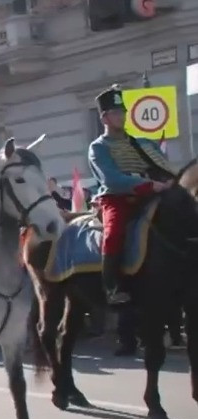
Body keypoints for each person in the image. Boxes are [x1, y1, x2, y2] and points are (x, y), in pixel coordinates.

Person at [87, 85, 176, 305]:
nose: (122, 116)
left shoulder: (144, 142)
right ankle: (112, 286)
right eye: (116, 113)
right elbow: (112, 180)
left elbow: (165, 167)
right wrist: (148, 185)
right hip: (117, 198)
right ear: (104, 118)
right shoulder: (98, 147)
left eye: (123, 111)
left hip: (153, 194)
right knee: (115, 231)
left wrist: (173, 181)